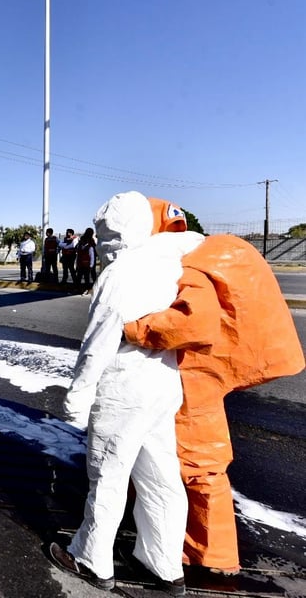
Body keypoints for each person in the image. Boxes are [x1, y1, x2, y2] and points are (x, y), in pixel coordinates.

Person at [122, 197, 306, 575]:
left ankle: (210, 555)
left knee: (198, 467)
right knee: (164, 460)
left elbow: (194, 323)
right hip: (189, 377)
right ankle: (163, 535)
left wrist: (133, 330)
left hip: (193, 383)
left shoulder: (185, 265)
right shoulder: (187, 254)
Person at [49, 191, 206, 596]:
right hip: (163, 382)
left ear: (107, 234)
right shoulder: (172, 262)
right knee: (161, 478)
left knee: (108, 476)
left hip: (123, 388)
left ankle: (91, 558)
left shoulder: (118, 274)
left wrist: (76, 399)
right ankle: (164, 564)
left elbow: (97, 343)